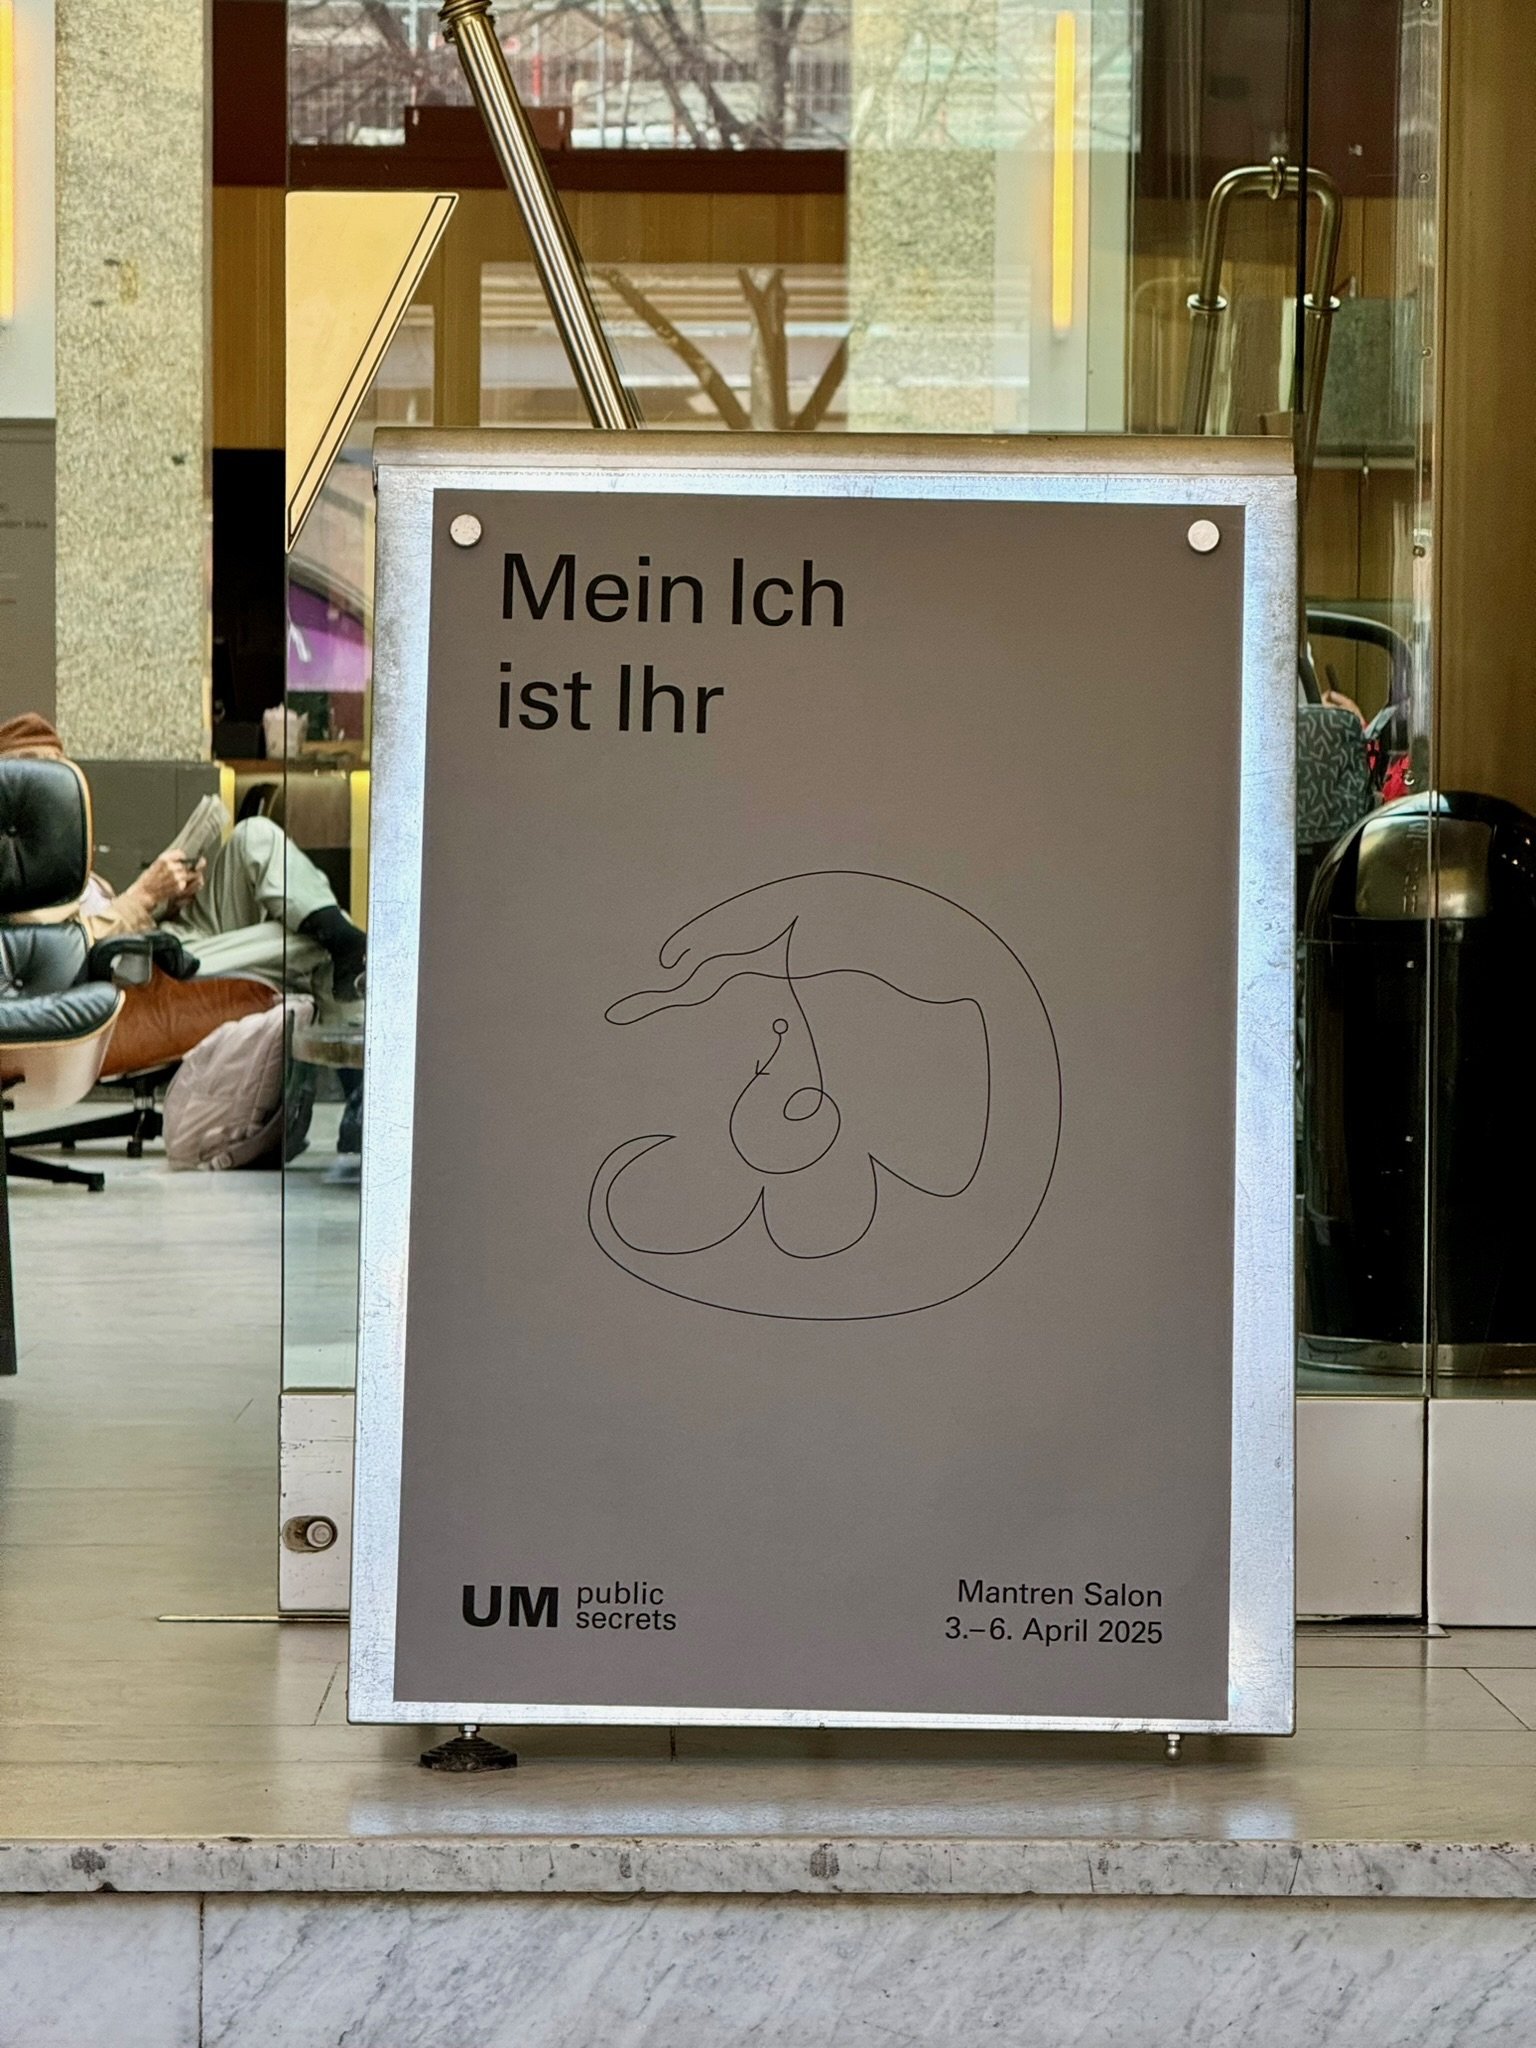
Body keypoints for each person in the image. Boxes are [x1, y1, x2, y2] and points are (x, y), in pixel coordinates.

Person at [0, 714, 366, 1017]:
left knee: (254, 834)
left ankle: (342, 939)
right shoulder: (16, 873)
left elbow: (114, 917)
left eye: (58, 773)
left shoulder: (66, 859)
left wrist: (168, 899)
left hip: (164, 942)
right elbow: (64, 955)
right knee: (307, 942)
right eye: (38, 777)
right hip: (145, 973)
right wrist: (144, 893)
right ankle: (352, 1043)